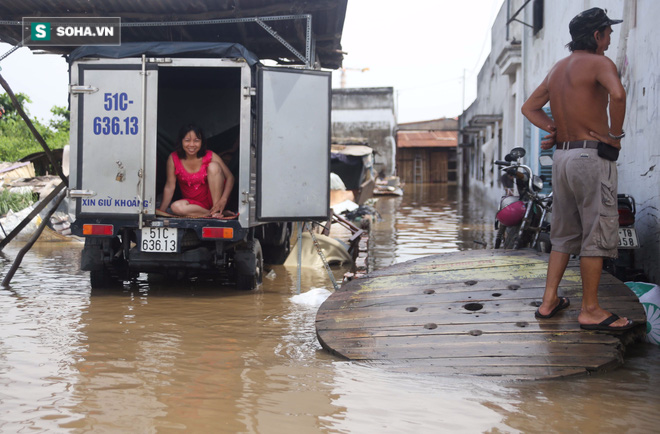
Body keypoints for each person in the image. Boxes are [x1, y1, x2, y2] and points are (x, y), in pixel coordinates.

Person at [521, 7, 634, 331]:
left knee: (563, 234)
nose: (610, 38)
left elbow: (529, 107)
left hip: (562, 158)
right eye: (608, 32)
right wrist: (615, 135)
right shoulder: (600, 63)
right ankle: (590, 309)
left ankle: (548, 302)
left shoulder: (558, 69)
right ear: (597, 35)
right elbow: (618, 94)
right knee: (596, 234)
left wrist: (553, 129)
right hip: (589, 158)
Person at [158, 124, 235, 218]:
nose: (191, 145)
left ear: (202, 142)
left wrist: (223, 199)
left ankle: (217, 210)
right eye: (187, 140)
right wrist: (161, 211)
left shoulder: (210, 155)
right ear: (181, 141)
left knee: (213, 166)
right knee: (175, 207)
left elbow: (230, 177)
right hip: (195, 206)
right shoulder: (173, 158)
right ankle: (211, 213)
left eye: (196, 141)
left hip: (215, 200)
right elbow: (170, 186)